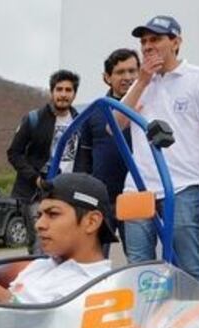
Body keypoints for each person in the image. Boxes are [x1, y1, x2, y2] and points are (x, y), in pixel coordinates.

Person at [117, 15, 199, 291]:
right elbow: (115, 126)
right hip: (139, 187)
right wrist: (141, 82)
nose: (147, 46)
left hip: (183, 185)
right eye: (143, 41)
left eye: (155, 39)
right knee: (139, 266)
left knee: (187, 262)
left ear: (176, 42)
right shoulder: (140, 83)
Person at [0, 173, 115, 304]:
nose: (39, 225)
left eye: (53, 214)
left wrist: (5, 299)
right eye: (39, 216)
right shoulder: (38, 267)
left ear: (91, 222)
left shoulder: (106, 287)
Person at [7, 69, 81, 254]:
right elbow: (14, 153)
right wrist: (36, 179)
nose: (63, 94)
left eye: (68, 90)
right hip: (36, 193)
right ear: (52, 92)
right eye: (59, 89)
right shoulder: (34, 119)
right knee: (40, 246)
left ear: (74, 94)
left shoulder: (81, 121)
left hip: (68, 192)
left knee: (67, 245)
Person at [74, 48, 140, 253]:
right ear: (107, 77)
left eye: (132, 71)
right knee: (95, 258)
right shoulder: (94, 111)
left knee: (139, 260)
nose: (127, 77)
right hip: (100, 198)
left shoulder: (150, 105)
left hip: (136, 196)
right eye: (120, 72)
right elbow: (82, 159)